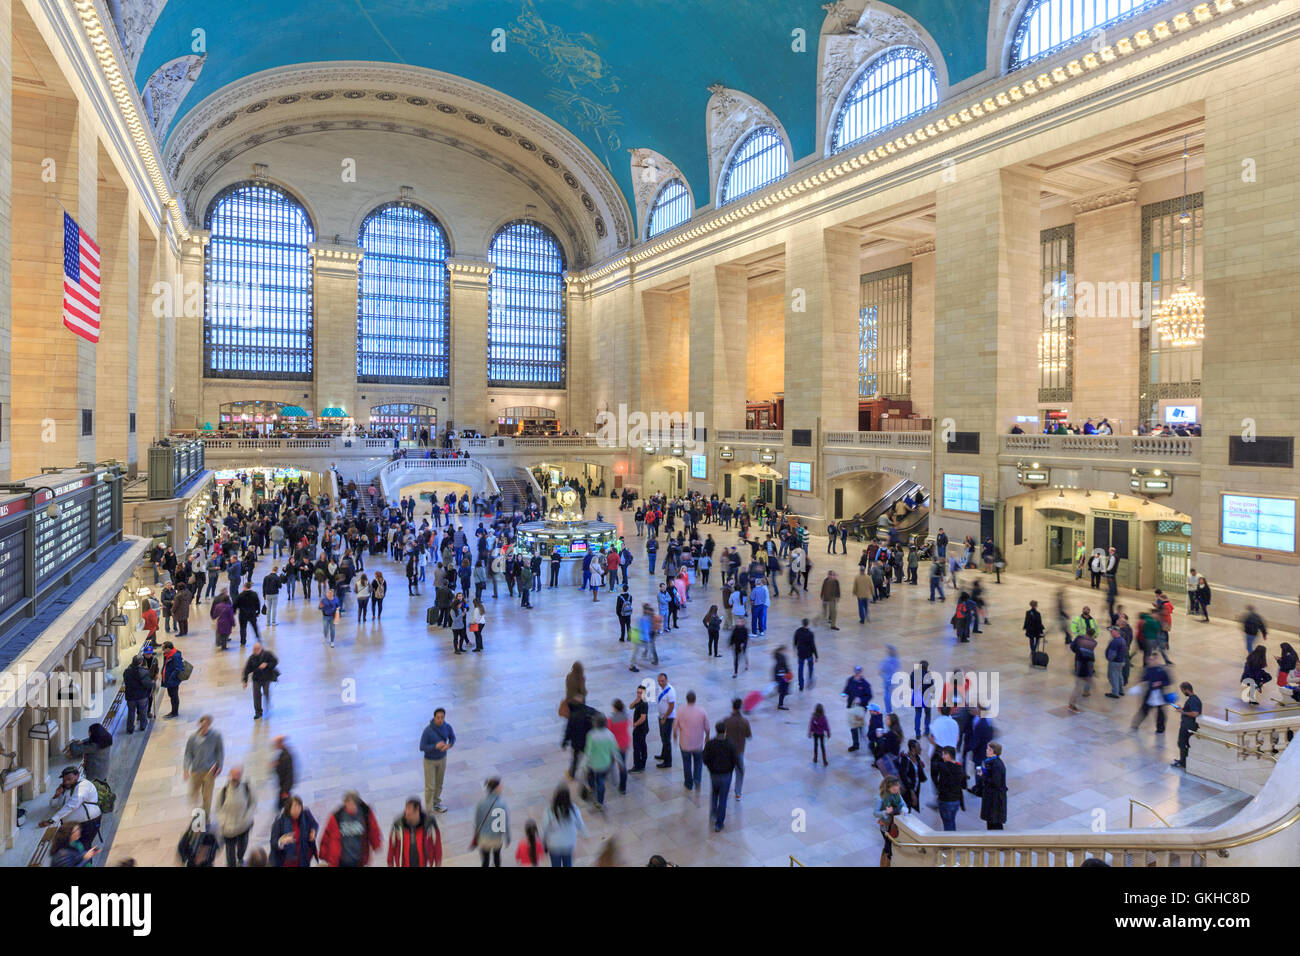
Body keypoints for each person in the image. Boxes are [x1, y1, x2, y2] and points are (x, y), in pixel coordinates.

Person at [41, 767, 104, 848]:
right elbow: (54, 805)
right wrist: (56, 795)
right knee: (76, 851)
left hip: (88, 823)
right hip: (73, 826)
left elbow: (72, 805)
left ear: (77, 775)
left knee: (83, 849)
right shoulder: (66, 788)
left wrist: (52, 820)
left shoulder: (83, 785)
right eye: (64, 780)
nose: (66, 782)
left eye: (69, 779)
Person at [318, 790, 383, 867]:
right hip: (341, 859)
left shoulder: (365, 813)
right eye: (348, 803)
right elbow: (327, 835)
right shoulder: (337, 816)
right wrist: (323, 854)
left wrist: (376, 844)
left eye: (353, 804)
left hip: (358, 859)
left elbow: (373, 829)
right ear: (345, 803)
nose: (351, 806)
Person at [183, 715, 224, 818]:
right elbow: (188, 753)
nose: (204, 727)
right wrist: (186, 769)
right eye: (203, 724)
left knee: (207, 796)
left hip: (209, 771)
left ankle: (205, 817)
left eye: (207, 725)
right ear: (199, 724)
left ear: (209, 725)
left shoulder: (216, 736)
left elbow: (220, 751)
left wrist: (220, 765)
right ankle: (197, 811)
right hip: (196, 770)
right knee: (193, 793)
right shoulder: (193, 738)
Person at [215, 767, 255, 867]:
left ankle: (240, 858)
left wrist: (247, 818)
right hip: (229, 829)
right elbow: (218, 808)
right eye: (233, 775)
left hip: (243, 826)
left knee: (242, 846)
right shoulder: (223, 791)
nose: (235, 778)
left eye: (238, 775)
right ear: (230, 775)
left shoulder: (246, 788)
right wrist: (223, 822)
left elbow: (253, 803)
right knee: (230, 853)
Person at [702, 721, 737, 831]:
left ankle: (713, 814)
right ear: (725, 731)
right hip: (726, 775)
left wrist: (710, 768)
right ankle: (719, 823)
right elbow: (734, 760)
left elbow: (705, 759)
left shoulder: (710, 744)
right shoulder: (730, 744)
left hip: (714, 774)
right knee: (723, 799)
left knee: (714, 794)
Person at [387, 798, 443, 867]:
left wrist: (438, 862)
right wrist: (390, 863)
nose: (406, 815)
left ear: (417, 810)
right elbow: (391, 846)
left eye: (409, 813)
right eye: (406, 810)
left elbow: (437, 845)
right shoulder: (398, 824)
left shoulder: (429, 823)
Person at [419, 708, 455, 813]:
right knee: (430, 786)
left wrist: (449, 745)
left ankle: (436, 803)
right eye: (438, 717)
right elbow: (422, 747)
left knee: (439, 783)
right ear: (434, 717)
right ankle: (429, 809)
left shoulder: (447, 727)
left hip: (442, 759)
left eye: (442, 717)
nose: (440, 720)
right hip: (430, 761)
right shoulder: (428, 731)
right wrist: (435, 746)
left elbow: (452, 737)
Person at [541, 785, 586, 867]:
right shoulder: (574, 809)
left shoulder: (549, 810)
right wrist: (584, 834)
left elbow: (544, 828)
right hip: (569, 844)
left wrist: (543, 841)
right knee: (568, 864)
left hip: (554, 845)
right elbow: (580, 824)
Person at [673, 690, 709, 791]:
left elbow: (675, 727)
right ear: (695, 699)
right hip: (697, 744)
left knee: (686, 763)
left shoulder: (680, 711)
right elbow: (707, 727)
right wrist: (707, 736)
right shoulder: (701, 711)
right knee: (698, 762)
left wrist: (675, 737)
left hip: (685, 744)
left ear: (686, 699)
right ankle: (697, 779)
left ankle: (688, 783)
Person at [269, 795, 318, 867]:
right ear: (288, 808)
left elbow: (314, 824)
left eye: (299, 807)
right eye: (295, 807)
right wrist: (281, 841)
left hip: (304, 859)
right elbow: (273, 842)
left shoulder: (305, 814)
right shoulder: (280, 821)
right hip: (285, 861)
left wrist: (313, 831)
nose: (298, 810)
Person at [1130, 653, 1172, 733]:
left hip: (1160, 693)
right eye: (1150, 660)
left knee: (1160, 713)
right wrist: (1137, 683)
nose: (1151, 661)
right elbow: (1143, 678)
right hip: (1150, 693)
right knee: (1144, 710)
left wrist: (1160, 683)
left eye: (1153, 659)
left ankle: (1160, 729)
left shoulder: (1162, 670)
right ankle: (1135, 724)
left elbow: (1169, 681)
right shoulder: (1148, 670)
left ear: (1157, 659)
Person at [874, 775, 906, 867]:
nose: (896, 790)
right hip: (885, 825)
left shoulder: (897, 795)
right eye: (894, 788)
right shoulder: (880, 797)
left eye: (897, 787)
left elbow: (903, 804)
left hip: (895, 823)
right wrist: (885, 812)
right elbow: (876, 813)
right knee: (889, 846)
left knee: (889, 846)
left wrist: (904, 809)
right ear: (888, 788)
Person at [242, 641, 278, 719]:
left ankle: (267, 701)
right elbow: (246, 669)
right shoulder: (252, 658)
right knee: (256, 695)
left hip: (266, 678)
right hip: (256, 679)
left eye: (257, 649)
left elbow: (275, 661)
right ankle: (258, 712)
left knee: (266, 691)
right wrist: (245, 681)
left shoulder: (267, 654)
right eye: (254, 649)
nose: (255, 651)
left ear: (260, 648)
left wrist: (267, 665)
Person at [977, 742, 1008, 830]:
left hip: (995, 799)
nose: (987, 751)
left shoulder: (997, 765)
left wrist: (982, 776)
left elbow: (995, 782)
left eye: (989, 749)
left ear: (994, 752)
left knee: (994, 823)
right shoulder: (990, 762)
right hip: (991, 797)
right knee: (991, 821)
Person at [1172, 682, 1202, 770]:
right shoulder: (1193, 699)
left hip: (1188, 726)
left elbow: (1195, 713)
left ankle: (1183, 762)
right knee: (1183, 744)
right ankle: (1183, 761)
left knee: (1182, 743)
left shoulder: (1193, 700)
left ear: (1187, 690)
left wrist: (1183, 712)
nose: (1182, 692)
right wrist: (1182, 709)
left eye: (1182, 690)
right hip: (1187, 725)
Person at [843, 666, 872, 751]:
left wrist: (861, 700)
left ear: (861, 673)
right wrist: (844, 693)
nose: (857, 674)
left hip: (861, 708)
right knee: (853, 726)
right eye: (856, 672)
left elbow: (869, 696)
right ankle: (856, 744)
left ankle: (862, 732)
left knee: (857, 724)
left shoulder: (865, 684)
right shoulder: (850, 680)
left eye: (858, 672)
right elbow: (847, 689)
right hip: (851, 708)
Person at [122, 654, 153, 734]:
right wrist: (153, 684)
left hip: (130, 696)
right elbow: (147, 684)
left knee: (131, 712)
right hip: (141, 696)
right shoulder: (144, 671)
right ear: (141, 662)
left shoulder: (126, 672)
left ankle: (130, 728)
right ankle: (143, 726)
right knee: (143, 711)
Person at [1068, 628, 1097, 713]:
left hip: (1079, 662)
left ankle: (1072, 703)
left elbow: (1072, 647)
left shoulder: (1079, 638)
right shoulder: (1093, 643)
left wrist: (1077, 651)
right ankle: (1072, 704)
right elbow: (1090, 656)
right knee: (1078, 686)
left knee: (1078, 685)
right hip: (1085, 665)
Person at [655, 673, 677, 769]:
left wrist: (664, 718)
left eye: (662, 681)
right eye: (659, 681)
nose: (660, 683)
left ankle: (668, 762)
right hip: (661, 716)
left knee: (666, 739)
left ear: (666, 680)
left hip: (668, 718)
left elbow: (671, 706)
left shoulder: (670, 691)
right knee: (662, 737)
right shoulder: (659, 688)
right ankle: (664, 755)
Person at [793, 619, 818, 691]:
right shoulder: (810, 634)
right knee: (810, 667)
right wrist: (816, 656)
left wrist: (796, 649)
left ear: (802, 623)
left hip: (801, 653)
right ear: (808, 624)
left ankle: (801, 685)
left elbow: (795, 642)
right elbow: (813, 645)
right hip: (809, 654)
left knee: (800, 668)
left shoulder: (797, 631)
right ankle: (810, 679)